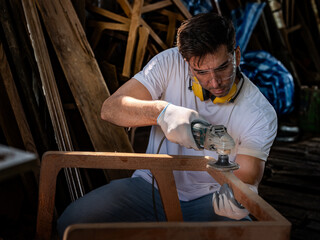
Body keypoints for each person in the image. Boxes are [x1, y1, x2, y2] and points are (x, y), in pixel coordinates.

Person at [57, 12, 277, 238]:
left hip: (211, 197)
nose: (214, 81)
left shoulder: (259, 112)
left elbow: (248, 176)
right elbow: (111, 109)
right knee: (73, 222)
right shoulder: (169, 62)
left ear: (237, 56)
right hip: (151, 185)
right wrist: (162, 112)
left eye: (222, 67)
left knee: (244, 235)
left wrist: (225, 174)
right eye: (201, 72)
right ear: (187, 64)